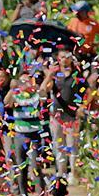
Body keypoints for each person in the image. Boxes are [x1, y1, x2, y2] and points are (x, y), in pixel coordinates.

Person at [41, 50, 87, 182]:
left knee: (72, 145)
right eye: (62, 57)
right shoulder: (55, 76)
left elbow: (88, 91)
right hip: (57, 116)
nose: (65, 60)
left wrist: (83, 106)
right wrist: (49, 75)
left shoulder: (77, 75)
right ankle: (61, 171)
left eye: (67, 57)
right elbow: (43, 91)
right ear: (58, 59)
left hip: (72, 116)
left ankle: (73, 172)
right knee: (58, 143)